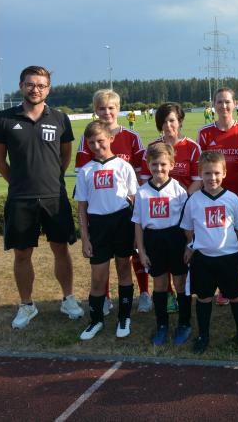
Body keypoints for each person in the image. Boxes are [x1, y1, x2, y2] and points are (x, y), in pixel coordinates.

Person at [0, 65, 83, 329]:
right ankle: (26, 305)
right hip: (20, 199)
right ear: (21, 86)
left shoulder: (60, 118)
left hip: (54, 197)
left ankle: (68, 299)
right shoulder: (3, 118)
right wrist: (18, 182)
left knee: (61, 250)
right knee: (22, 254)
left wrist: (52, 179)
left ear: (48, 89)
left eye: (41, 85)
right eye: (31, 84)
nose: (36, 89)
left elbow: (65, 156)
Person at [75, 89, 148, 315]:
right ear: (95, 110)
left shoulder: (132, 137)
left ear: (118, 109)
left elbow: (141, 171)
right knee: (103, 259)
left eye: (111, 108)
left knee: (130, 255)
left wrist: (135, 201)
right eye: (101, 108)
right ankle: (104, 297)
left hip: (124, 210)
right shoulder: (88, 138)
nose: (106, 112)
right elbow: (84, 174)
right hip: (99, 214)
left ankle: (144, 292)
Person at [180, 150, 238, 354]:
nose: (212, 178)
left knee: (237, 297)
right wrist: (192, 244)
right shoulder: (193, 200)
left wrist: (234, 247)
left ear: (224, 173)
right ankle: (203, 335)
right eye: (207, 174)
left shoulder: (232, 199)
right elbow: (187, 228)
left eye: (216, 173)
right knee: (203, 298)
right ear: (200, 174)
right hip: (203, 260)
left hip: (229, 258)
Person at [74, 121, 138, 340]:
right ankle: (96, 320)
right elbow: (82, 207)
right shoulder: (85, 171)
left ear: (110, 138)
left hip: (122, 222)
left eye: (100, 140)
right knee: (98, 277)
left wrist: (137, 235)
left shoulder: (123, 166)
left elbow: (134, 200)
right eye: (91, 143)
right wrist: (85, 238)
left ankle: (124, 316)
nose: (96, 146)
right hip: (98, 226)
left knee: (123, 269)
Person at [140, 102, 203, 313]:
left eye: (172, 120)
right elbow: (145, 180)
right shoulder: (152, 148)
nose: (168, 125)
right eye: (164, 121)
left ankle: (186, 296)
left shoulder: (192, 147)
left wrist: (182, 200)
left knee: (180, 258)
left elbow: (198, 180)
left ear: (180, 121)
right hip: (158, 213)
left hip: (183, 207)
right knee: (159, 257)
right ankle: (166, 296)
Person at [198, 88, 238, 306]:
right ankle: (223, 287)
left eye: (227, 102)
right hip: (213, 197)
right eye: (219, 102)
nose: (223, 106)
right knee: (219, 241)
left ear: (235, 104)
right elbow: (202, 167)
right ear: (214, 105)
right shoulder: (205, 133)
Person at [132, 143, 191, 346]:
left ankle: (184, 323)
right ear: (148, 165)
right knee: (160, 285)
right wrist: (141, 251)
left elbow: (187, 223)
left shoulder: (179, 191)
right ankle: (162, 325)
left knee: (180, 283)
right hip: (153, 240)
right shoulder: (142, 192)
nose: (159, 169)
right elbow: (138, 224)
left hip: (175, 239)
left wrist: (188, 246)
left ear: (172, 164)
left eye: (163, 164)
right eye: (154, 164)